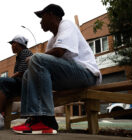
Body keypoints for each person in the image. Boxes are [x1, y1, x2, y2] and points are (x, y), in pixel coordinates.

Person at [12, 4, 102, 134]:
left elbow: (59, 51)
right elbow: (42, 68)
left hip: (87, 74)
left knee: (36, 59)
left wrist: (35, 59)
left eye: (42, 18)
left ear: (51, 15)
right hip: (68, 77)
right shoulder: (51, 41)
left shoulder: (66, 24)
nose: (40, 22)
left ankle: (47, 120)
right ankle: (35, 118)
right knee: (28, 73)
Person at [0, 35, 33, 116]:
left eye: (13, 43)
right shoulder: (20, 55)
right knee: (3, 88)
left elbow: (22, 71)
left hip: (25, 85)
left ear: (19, 44)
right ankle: (2, 115)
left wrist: (10, 78)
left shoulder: (25, 52)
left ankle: (1, 114)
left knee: (1, 81)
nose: (12, 46)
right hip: (21, 84)